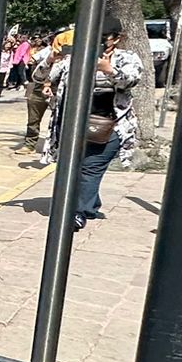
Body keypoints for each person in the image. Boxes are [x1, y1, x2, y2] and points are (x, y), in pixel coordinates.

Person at [48, 16, 142, 231]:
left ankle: (79, 212)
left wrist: (108, 69)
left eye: (103, 38)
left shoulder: (127, 58)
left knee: (91, 168)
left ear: (116, 39)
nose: (96, 41)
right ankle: (91, 203)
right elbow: (45, 75)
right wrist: (50, 61)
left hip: (110, 126)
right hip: (75, 123)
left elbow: (132, 79)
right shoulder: (77, 57)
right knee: (76, 167)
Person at [13, 38, 61, 156]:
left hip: (59, 88)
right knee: (33, 118)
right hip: (39, 87)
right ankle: (30, 144)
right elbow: (32, 62)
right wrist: (48, 60)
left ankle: (58, 147)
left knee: (60, 118)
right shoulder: (48, 51)